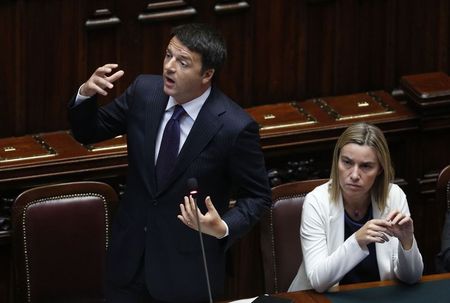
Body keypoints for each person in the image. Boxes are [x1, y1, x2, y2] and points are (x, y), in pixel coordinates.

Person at [68, 23, 271, 302]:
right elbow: (88, 132)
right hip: (127, 264)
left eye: (183, 62)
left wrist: (223, 226)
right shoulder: (144, 92)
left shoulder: (234, 127)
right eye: (168, 55)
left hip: (186, 274)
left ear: (207, 74)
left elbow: (258, 196)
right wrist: (85, 95)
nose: (169, 67)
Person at [288, 122, 423, 293]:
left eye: (366, 166)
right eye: (347, 162)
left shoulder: (394, 196)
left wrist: (407, 242)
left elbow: (411, 277)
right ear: (337, 160)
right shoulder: (316, 201)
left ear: (380, 169)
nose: (354, 175)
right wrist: (357, 240)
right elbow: (318, 281)